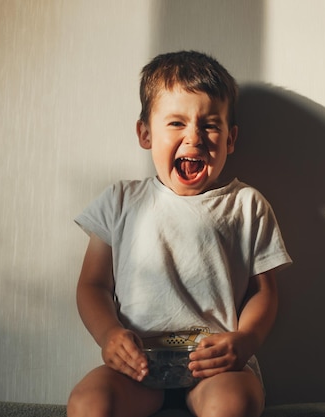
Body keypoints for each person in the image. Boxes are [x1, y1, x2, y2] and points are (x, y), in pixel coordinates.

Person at [67, 51, 291, 417]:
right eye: (176, 123)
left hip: (216, 368)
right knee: (88, 403)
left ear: (231, 139)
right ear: (145, 133)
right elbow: (93, 285)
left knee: (233, 403)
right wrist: (108, 335)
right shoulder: (119, 201)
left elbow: (264, 293)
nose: (194, 137)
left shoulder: (246, 205)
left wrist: (245, 341)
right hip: (136, 367)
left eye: (210, 125)